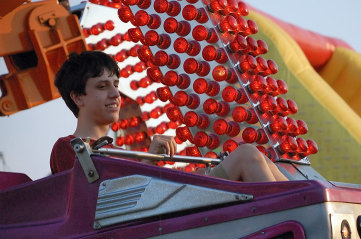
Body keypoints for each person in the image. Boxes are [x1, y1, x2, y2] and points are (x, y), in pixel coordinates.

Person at [50, 51, 287, 182]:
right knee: (246, 156)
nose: (115, 94)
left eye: (115, 84)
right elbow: (97, 201)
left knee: (257, 155)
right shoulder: (68, 148)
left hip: (163, 211)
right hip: (147, 225)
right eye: (102, 87)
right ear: (78, 97)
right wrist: (150, 160)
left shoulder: (120, 152)